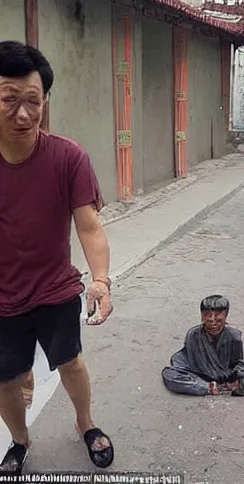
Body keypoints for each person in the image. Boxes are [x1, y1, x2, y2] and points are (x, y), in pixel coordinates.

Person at [0, 41, 114, 472]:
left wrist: (101, 280)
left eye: (34, 101)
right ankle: (20, 440)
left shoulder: (68, 157)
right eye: (10, 100)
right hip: (2, 299)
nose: (24, 114)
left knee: (70, 361)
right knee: (5, 379)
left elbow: (88, 226)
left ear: (45, 101)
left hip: (55, 288)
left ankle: (86, 423)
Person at [161, 295, 244, 397]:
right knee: (170, 375)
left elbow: (237, 363)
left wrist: (235, 380)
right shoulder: (193, 335)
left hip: (227, 374)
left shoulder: (234, 336)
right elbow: (193, 363)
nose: (213, 323)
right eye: (208, 318)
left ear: (225, 317)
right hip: (198, 372)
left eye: (218, 319)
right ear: (202, 317)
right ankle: (208, 387)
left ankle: (234, 386)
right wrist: (211, 379)